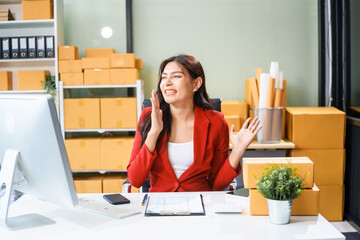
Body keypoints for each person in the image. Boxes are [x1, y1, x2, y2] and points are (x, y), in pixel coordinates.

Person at [127, 55, 261, 192]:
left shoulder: (216, 122)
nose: (167, 83)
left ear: (196, 83)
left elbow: (217, 185)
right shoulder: (148, 117)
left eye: (176, 76)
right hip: (159, 206)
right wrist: (154, 132)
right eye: (164, 77)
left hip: (201, 205)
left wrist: (237, 151)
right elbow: (135, 180)